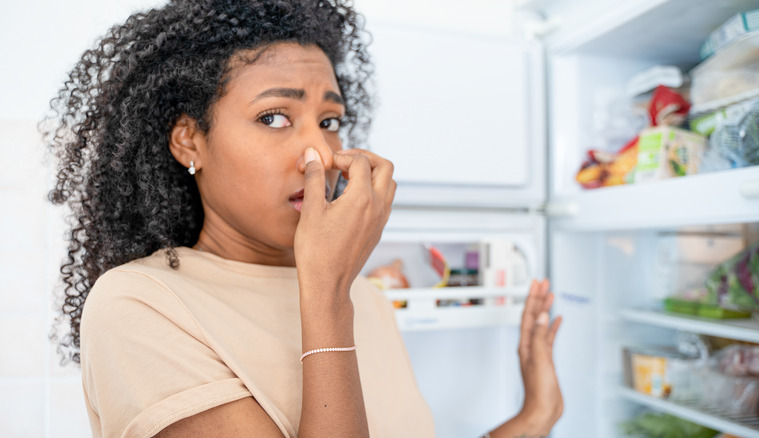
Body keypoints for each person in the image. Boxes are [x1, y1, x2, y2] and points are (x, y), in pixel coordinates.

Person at [45, 0, 563, 436]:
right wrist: (327, 292)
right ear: (189, 140)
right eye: (273, 117)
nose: (319, 153)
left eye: (330, 121)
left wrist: (534, 417)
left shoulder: (366, 298)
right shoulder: (139, 304)